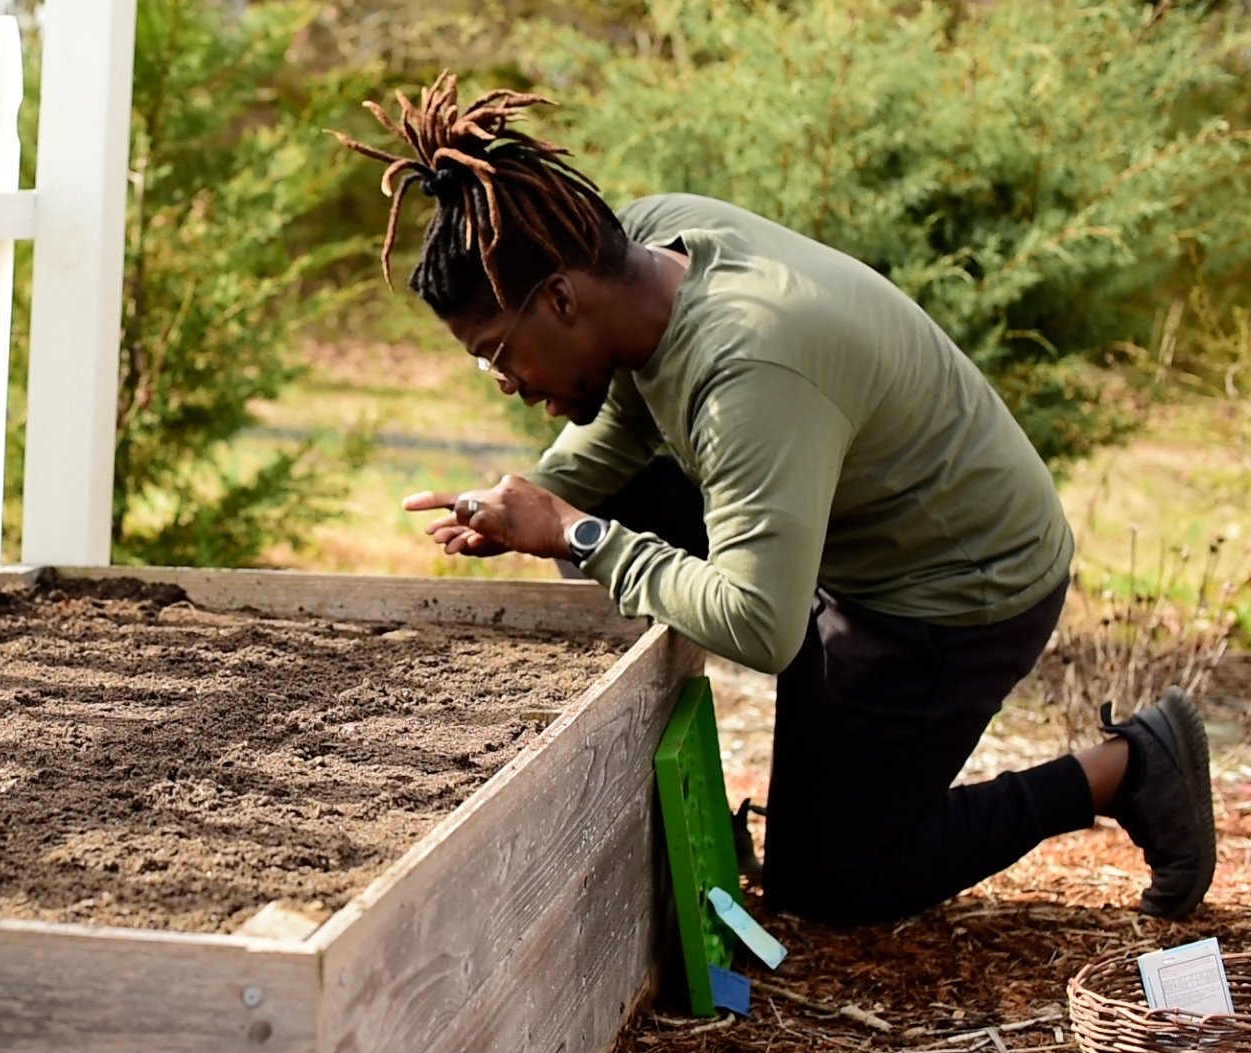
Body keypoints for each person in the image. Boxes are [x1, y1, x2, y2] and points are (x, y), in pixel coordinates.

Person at [329, 73, 1218, 924]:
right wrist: (537, 498)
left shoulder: (752, 367)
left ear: (560, 297)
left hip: (955, 591)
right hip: (846, 530)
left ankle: (1127, 766)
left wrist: (577, 529)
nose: (498, 379)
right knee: (607, 517)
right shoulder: (649, 243)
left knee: (830, 883)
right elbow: (629, 417)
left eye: (495, 348)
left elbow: (763, 626)